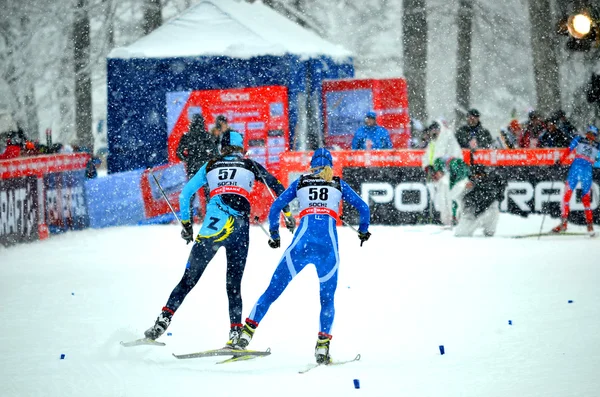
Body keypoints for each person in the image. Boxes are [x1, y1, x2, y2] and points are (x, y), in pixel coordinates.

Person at [143, 130, 297, 346]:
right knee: (233, 285)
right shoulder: (249, 164)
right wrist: (288, 215)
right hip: (239, 231)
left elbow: (185, 194)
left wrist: (187, 226)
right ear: (240, 147)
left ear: (221, 147)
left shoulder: (210, 165)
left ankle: (163, 320)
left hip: (210, 231)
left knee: (188, 280)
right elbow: (279, 188)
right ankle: (235, 333)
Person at [231, 148, 371, 364]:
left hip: (300, 246)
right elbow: (363, 208)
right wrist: (363, 230)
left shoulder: (301, 182)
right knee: (327, 299)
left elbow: (277, 205)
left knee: (272, 291)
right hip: (328, 250)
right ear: (330, 166)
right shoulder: (338, 183)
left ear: (312, 164)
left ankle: (246, 333)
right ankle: (322, 347)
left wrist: (275, 234)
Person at [551, 125, 600, 236]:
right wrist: (560, 160)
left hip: (583, 170)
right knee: (567, 196)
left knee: (585, 198)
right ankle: (564, 224)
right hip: (578, 169)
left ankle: (589, 226)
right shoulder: (580, 139)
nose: (591, 136)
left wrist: (561, 160)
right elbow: (569, 149)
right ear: (587, 133)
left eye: (593, 135)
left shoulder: (595, 145)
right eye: (590, 134)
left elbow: (598, 161)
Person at [177, 114, 219, 220]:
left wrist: (188, 159)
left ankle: (188, 219)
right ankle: (211, 219)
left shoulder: (187, 136)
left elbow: (179, 153)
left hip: (192, 168)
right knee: (209, 195)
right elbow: (215, 153)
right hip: (205, 169)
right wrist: (209, 159)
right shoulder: (207, 136)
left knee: (190, 195)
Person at [454, 165, 506, 237]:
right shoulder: (466, 184)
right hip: (470, 215)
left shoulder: (490, 184)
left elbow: (499, 197)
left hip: (487, 213)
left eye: (479, 175)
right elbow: (456, 197)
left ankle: (489, 232)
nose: (477, 177)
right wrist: (465, 188)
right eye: (475, 175)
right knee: (460, 234)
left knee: (493, 211)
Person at [425, 156, 470, 227]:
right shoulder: (446, 169)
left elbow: (459, 172)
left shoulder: (441, 164)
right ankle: (456, 218)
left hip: (462, 178)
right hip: (463, 177)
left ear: (435, 172)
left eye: (435, 177)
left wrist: (467, 179)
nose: (438, 178)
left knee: (453, 198)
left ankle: (457, 218)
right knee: (454, 198)